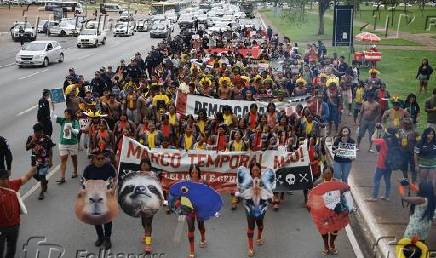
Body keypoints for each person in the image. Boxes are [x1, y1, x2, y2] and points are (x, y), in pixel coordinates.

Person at [82, 151, 117, 250]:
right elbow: (83, 182)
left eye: (102, 158)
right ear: (93, 159)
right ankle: (100, 236)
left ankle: (107, 238)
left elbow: (115, 179)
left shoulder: (109, 167)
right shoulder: (88, 169)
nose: (101, 160)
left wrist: (113, 190)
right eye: (98, 159)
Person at [0, 167, 37, 258]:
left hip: (15, 225)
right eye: (2, 179)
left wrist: (35, 168)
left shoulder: (12, 184)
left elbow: (26, 177)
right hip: (1, 228)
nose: (6, 181)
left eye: (6, 178)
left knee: (12, 249)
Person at [137, 158, 163, 254]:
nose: (144, 166)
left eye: (145, 164)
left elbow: (158, 188)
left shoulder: (153, 175)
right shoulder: (137, 175)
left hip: (151, 203)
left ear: (149, 166)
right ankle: (147, 234)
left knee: (148, 223)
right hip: (140, 203)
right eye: (142, 164)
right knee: (143, 223)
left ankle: (148, 244)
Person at [25, 123, 55, 200]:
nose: (37, 134)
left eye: (39, 132)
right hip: (35, 161)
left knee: (42, 175)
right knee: (35, 175)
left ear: (42, 131)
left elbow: (50, 150)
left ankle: (41, 192)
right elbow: (27, 148)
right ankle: (44, 181)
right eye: (35, 132)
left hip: (44, 160)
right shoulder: (31, 138)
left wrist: (51, 161)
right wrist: (32, 142)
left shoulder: (46, 138)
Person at [367, 128, 397, 201]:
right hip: (390, 165)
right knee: (387, 180)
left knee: (376, 180)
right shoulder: (395, 141)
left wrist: (377, 130)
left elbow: (372, 139)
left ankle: (374, 197)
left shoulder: (383, 141)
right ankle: (387, 196)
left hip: (381, 164)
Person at [184, 165, 207, 258]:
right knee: (190, 228)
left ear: (199, 173)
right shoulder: (186, 183)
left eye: (196, 172)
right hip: (189, 210)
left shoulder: (202, 182)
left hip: (200, 209)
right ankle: (192, 251)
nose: (194, 174)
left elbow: (208, 194)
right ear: (190, 173)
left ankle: (203, 238)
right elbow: (182, 195)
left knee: (201, 226)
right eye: (192, 172)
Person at [56, 109, 80, 184]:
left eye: (67, 114)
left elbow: (77, 132)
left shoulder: (75, 121)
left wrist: (71, 129)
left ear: (70, 114)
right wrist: (52, 107)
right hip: (63, 143)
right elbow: (53, 116)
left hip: (72, 143)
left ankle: (75, 171)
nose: (65, 115)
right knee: (63, 159)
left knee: (74, 158)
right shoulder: (63, 120)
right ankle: (62, 177)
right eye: (65, 114)